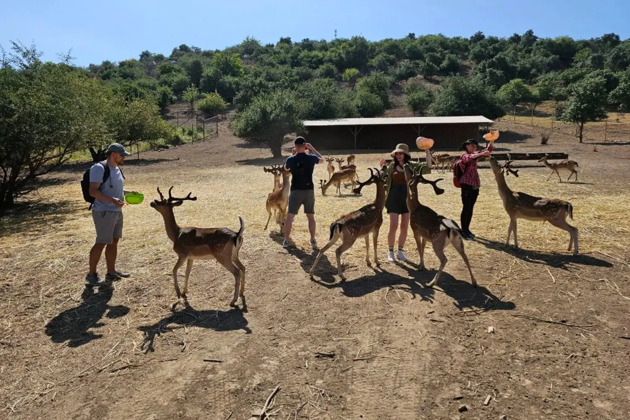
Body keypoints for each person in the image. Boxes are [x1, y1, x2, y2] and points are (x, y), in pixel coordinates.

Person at [86, 143, 133, 286]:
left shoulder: (117, 168)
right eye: (122, 155)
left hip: (116, 211)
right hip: (104, 211)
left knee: (114, 241)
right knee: (101, 242)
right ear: (113, 155)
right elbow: (93, 191)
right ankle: (91, 274)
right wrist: (112, 200)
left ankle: (111, 272)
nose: (124, 157)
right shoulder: (99, 168)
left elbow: (113, 190)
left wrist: (128, 193)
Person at [283, 136, 323, 250]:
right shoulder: (311, 158)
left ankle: (286, 240)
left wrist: (293, 154)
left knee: (290, 216)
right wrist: (312, 148)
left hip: (296, 190)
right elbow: (322, 159)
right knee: (310, 217)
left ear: (295, 146)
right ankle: (313, 239)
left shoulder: (290, 159)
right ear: (305, 146)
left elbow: (286, 169)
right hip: (309, 190)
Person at [380, 143, 412, 262]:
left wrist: (427, 152)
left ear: (405, 154)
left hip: (407, 198)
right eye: (397, 153)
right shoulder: (391, 166)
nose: (399, 155)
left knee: (404, 226)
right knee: (393, 225)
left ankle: (400, 251)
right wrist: (381, 167)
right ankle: (390, 251)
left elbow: (428, 167)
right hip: (393, 197)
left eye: (401, 153)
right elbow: (382, 176)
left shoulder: (411, 166)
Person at [458, 138, 491, 240]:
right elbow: (470, 157)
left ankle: (467, 229)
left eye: (475, 145)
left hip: (474, 185)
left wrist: (492, 140)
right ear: (466, 146)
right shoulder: (465, 156)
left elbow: (488, 149)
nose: (473, 147)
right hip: (466, 184)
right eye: (471, 145)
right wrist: (481, 154)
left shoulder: (475, 155)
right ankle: (463, 230)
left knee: (470, 207)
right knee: (466, 207)